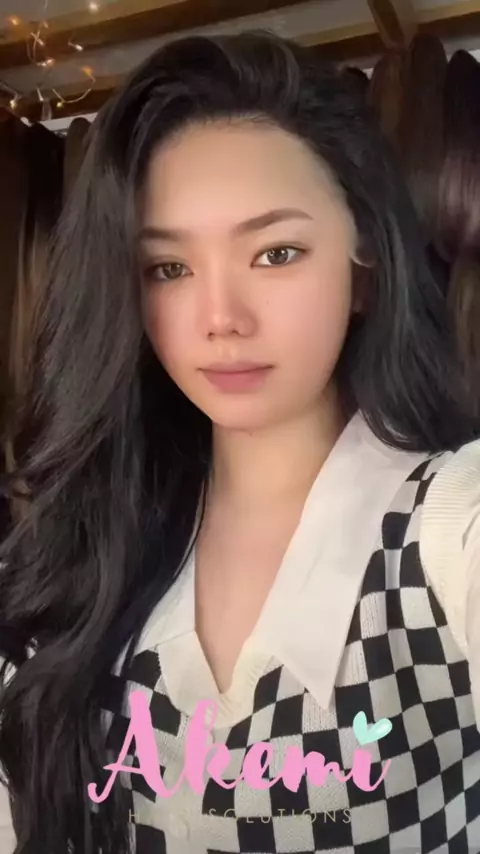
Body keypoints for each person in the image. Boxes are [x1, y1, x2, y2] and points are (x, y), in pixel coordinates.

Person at [0, 31, 479, 854]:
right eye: (169, 269)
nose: (221, 318)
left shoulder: (446, 537)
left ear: (363, 263)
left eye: (275, 253)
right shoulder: (71, 558)